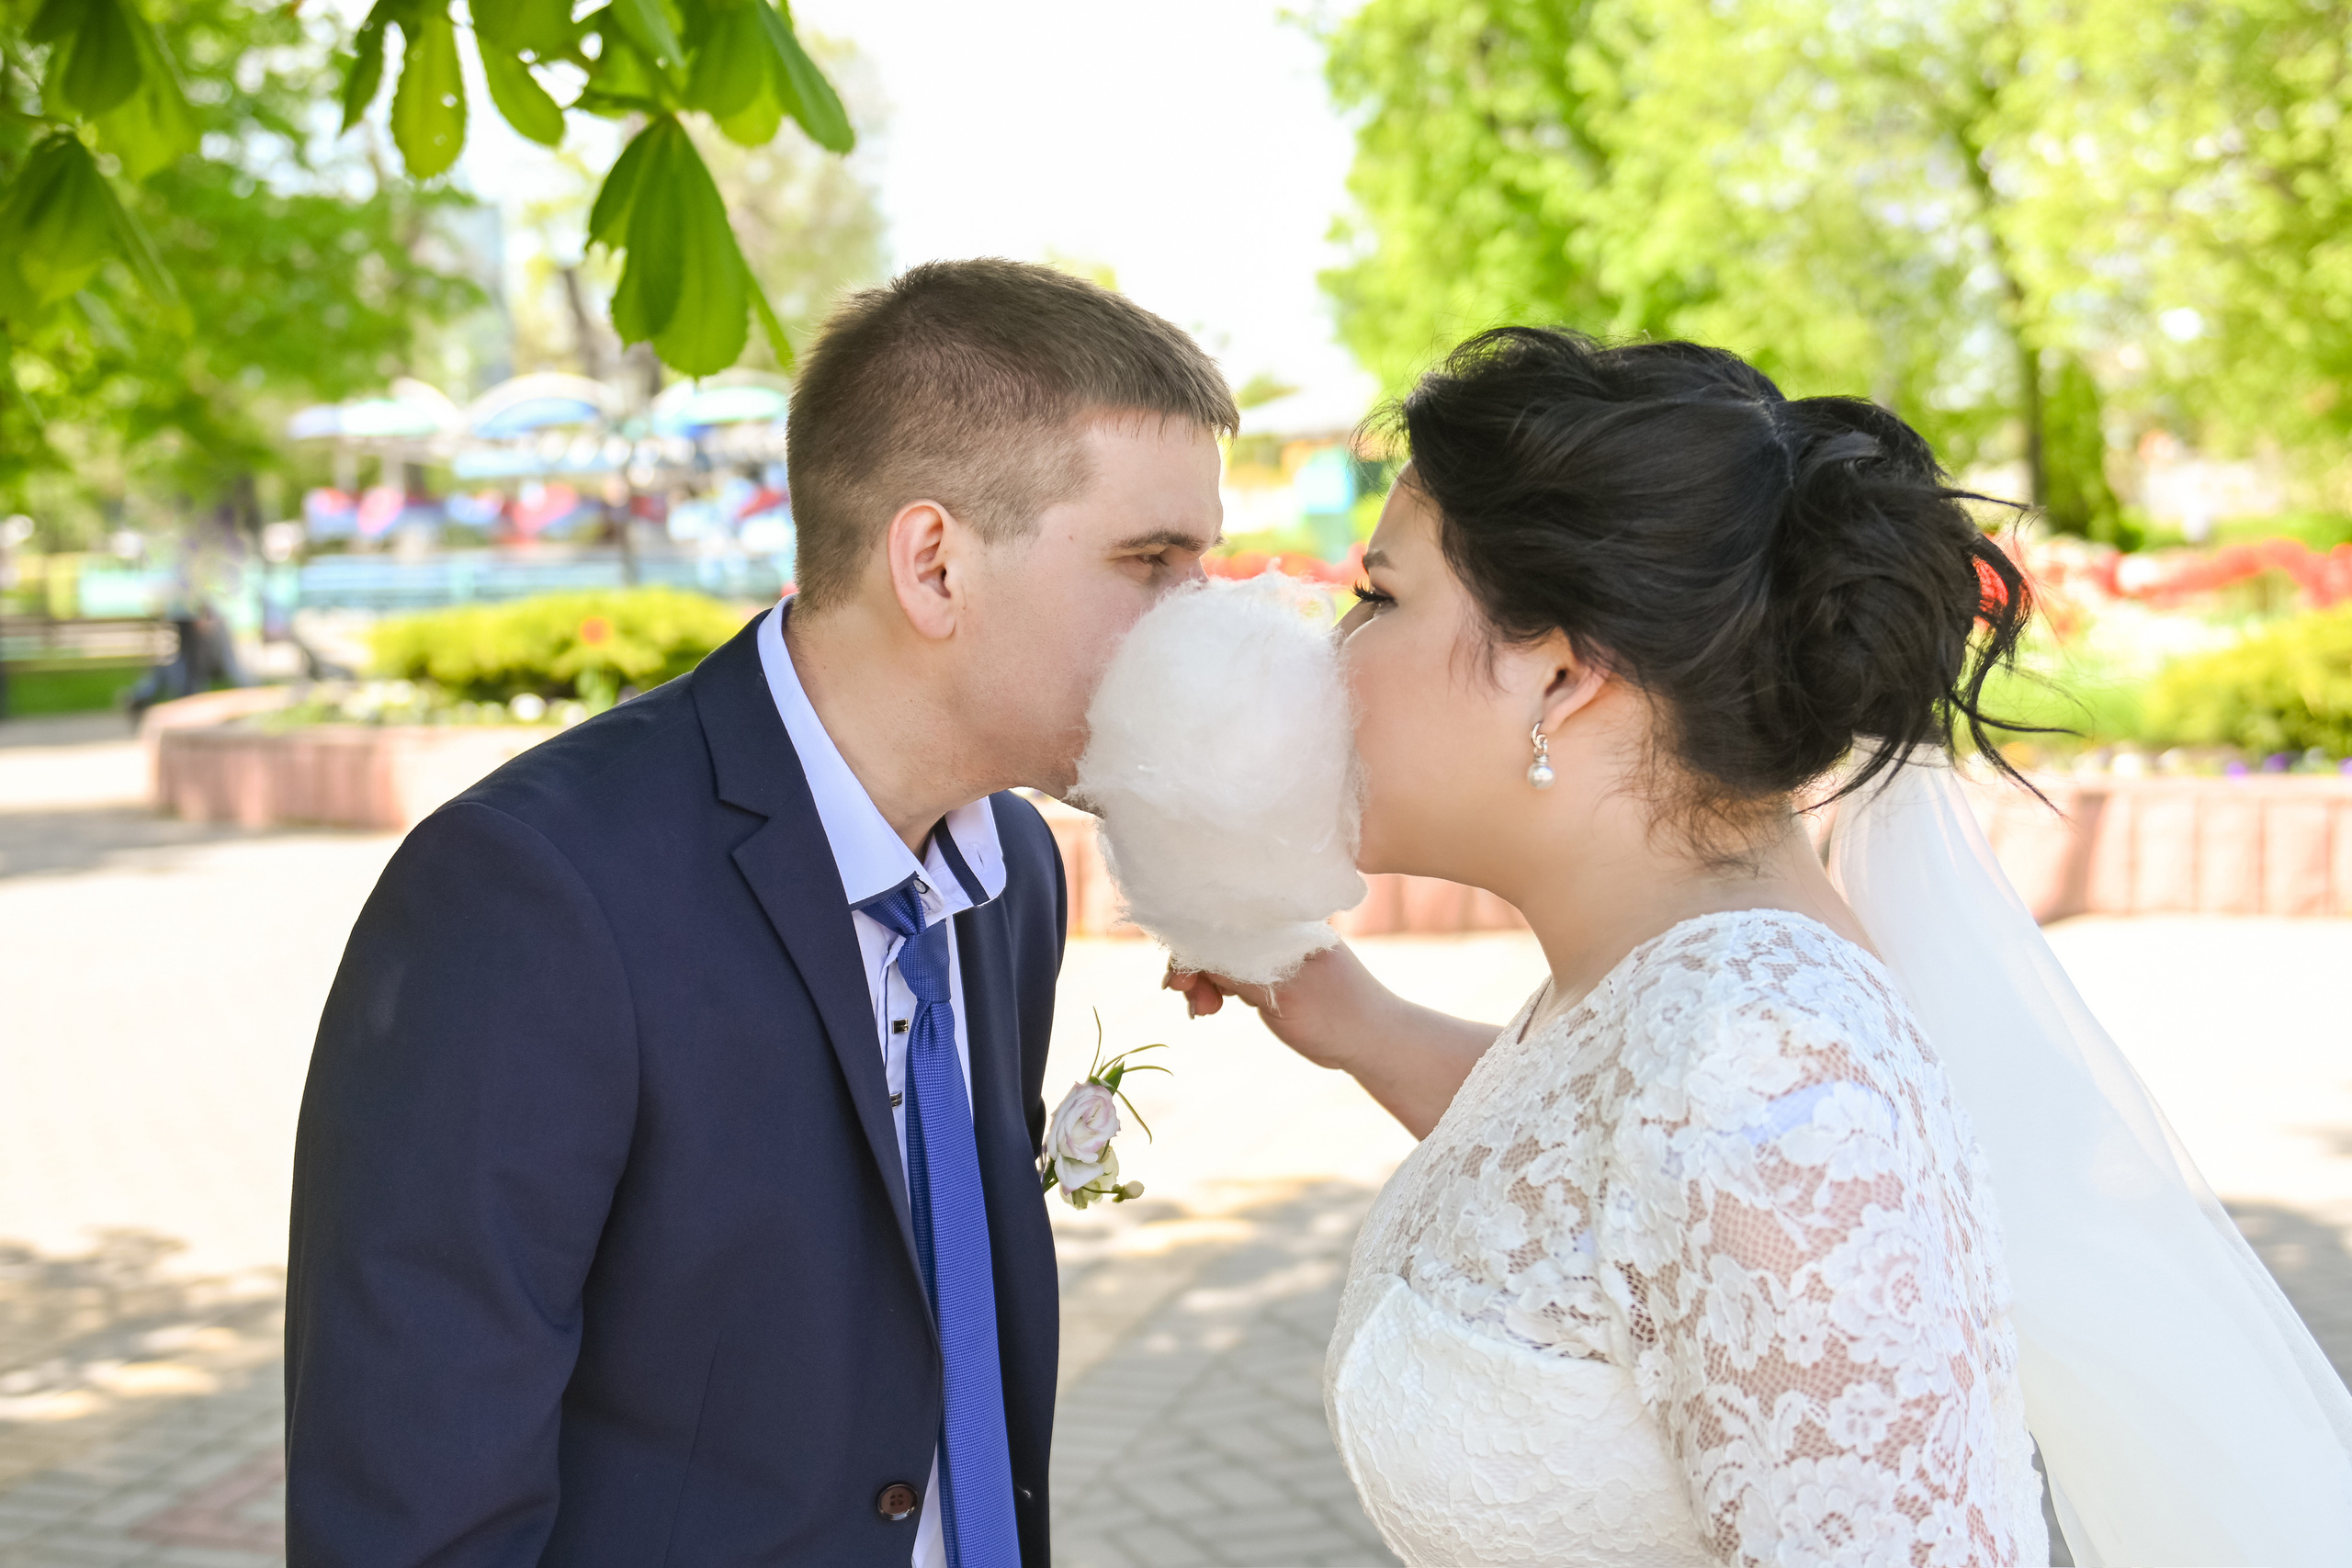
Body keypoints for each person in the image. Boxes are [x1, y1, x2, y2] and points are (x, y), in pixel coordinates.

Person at [1170, 326, 2352, 1565]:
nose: (1331, 651)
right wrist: (1350, 1019)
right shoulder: (1682, 1001)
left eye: (1379, 599)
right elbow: (1603, 1199)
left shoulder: (1766, 1062)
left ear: (1566, 677)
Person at [287, 259, 1236, 1565]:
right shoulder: (526, 898)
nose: (1205, 622)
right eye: (1153, 562)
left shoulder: (1010, 870)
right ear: (935, 567)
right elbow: (418, 1514)